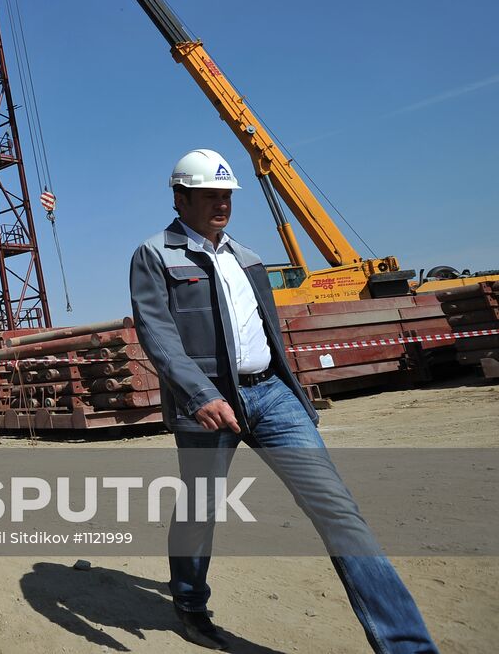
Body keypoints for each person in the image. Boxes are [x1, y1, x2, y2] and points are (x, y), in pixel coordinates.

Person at [128, 148, 436, 652]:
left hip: (271, 396)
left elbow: (269, 332)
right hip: (209, 407)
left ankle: (408, 647)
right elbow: (157, 334)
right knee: (200, 511)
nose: (221, 205)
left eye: (226, 196)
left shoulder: (246, 257)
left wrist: (294, 393)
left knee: (339, 512)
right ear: (180, 198)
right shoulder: (155, 255)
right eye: (209, 196)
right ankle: (189, 602)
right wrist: (200, 394)